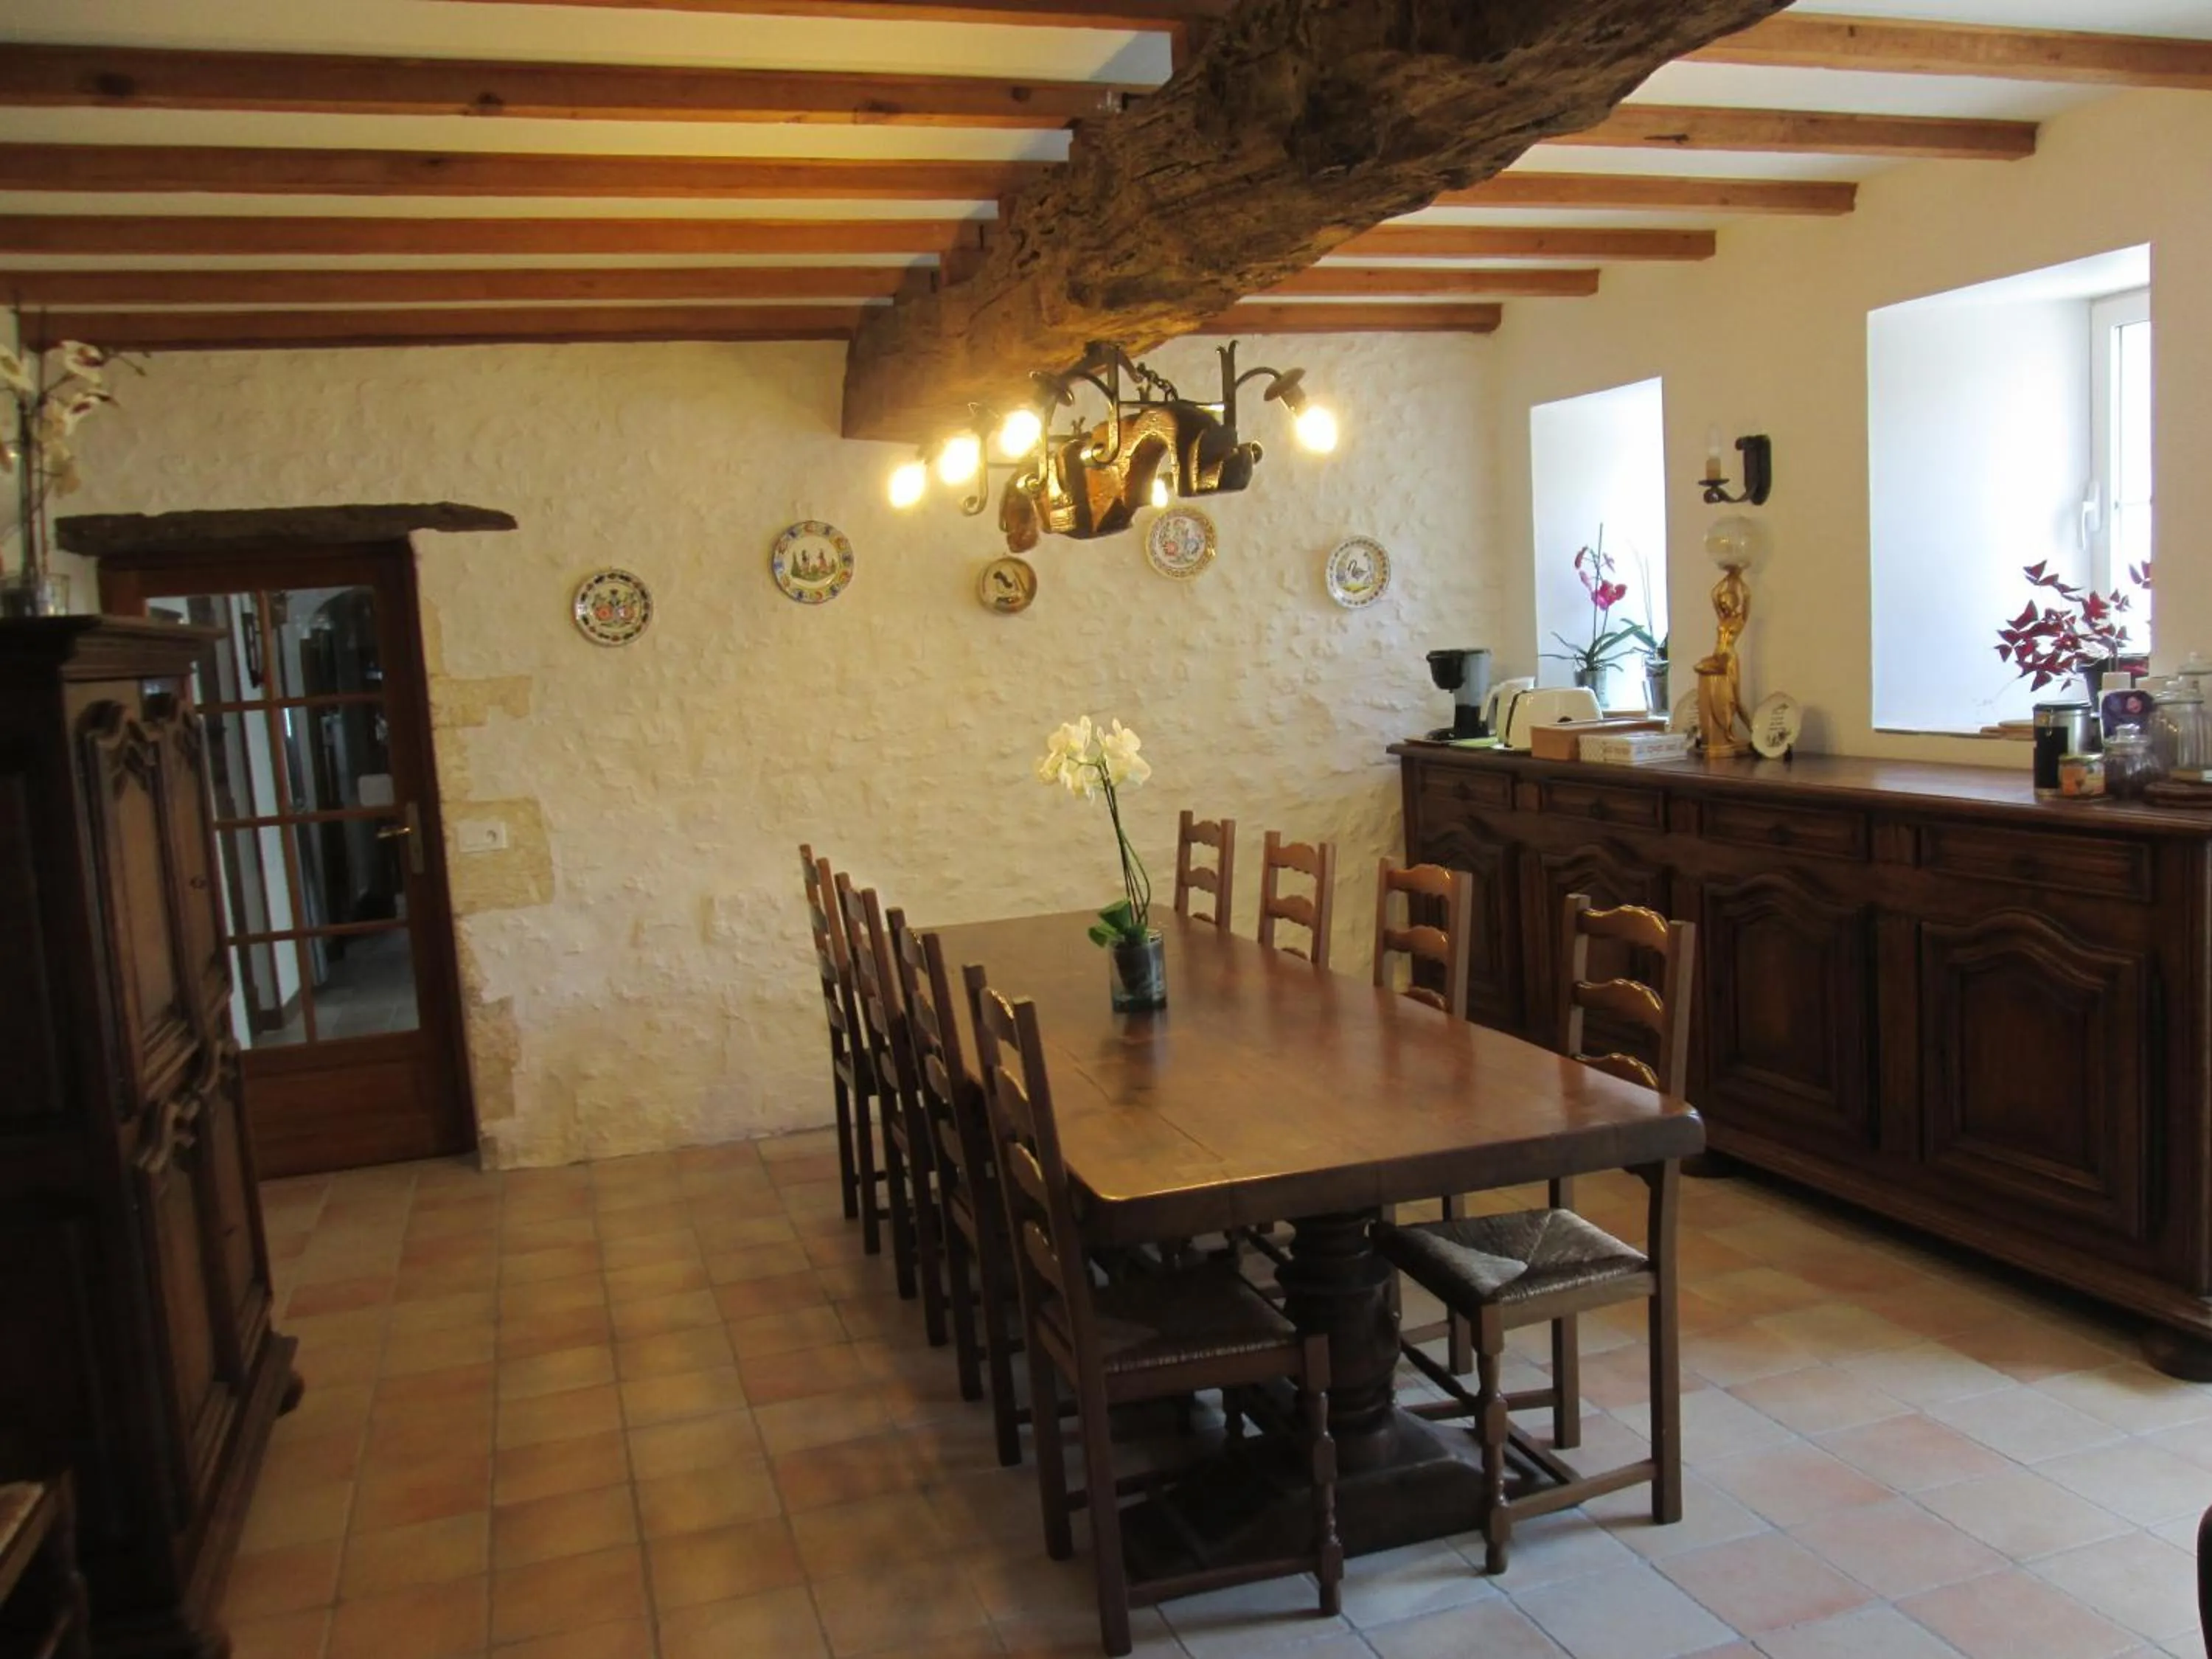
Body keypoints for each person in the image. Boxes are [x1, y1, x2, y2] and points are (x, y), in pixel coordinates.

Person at [1695, 564, 1751, 757]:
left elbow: (1748, 597)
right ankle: (1722, 733)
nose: (1724, 605)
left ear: (1734, 603)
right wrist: (1728, 577)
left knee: (1734, 698)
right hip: (1717, 656)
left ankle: (1752, 733)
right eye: (1723, 603)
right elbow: (1713, 594)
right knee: (1717, 693)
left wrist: (1738, 578)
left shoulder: (1739, 620)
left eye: (1728, 602)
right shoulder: (1721, 620)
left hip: (1729, 659)